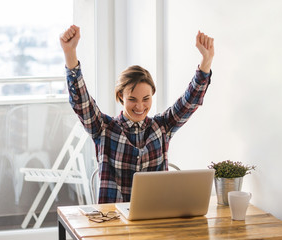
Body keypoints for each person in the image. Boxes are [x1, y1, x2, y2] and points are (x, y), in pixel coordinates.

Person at [60, 25, 214, 203]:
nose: (140, 106)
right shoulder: (104, 128)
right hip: (113, 222)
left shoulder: (163, 126)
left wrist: (206, 60)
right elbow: (81, 101)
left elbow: (191, 100)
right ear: (120, 97)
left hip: (155, 219)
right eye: (132, 99)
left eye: (146, 98)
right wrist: (70, 53)